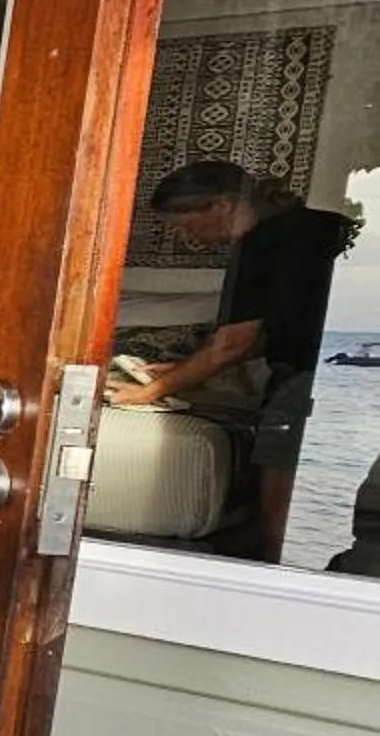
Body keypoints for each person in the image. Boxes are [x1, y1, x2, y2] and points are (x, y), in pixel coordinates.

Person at [106, 160, 356, 562]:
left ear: (221, 205)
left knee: (279, 523)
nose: (190, 239)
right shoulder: (320, 225)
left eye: (187, 226)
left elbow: (233, 345)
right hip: (336, 384)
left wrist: (149, 391)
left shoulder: (261, 243)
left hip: (302, 384)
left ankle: (273, 583)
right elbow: (272, 332)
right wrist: (180, 370)